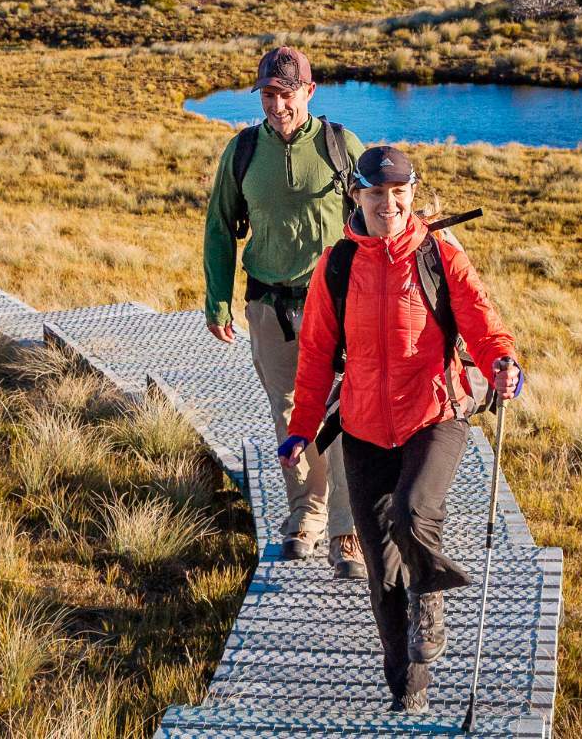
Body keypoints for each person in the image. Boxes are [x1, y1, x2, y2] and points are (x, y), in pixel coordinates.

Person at [281, 145, 526, 712]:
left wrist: (502, 363)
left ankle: (431, 594)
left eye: (398, 192)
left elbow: (484, 325)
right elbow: (317, 353)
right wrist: (300, 429)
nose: (388, 203)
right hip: (364, 427)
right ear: (357, 196)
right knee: (381, 568)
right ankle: (406, 690)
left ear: (412, 193)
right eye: (376, 193)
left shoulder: (440, 257)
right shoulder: (337, 265)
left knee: (414, 513)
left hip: (434, 415)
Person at [202, 46, 366, 577]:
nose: (277, 106)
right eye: (269, 95)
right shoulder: (244, 150)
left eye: (287, 94)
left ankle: (347, 530)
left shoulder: (342, 148)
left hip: (336, 309)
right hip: (269, 307)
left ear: (309, 92)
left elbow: (380, 219)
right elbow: (220, 226)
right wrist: (218, 298)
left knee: (341, 415)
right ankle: (306, 517)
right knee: (291, 413)